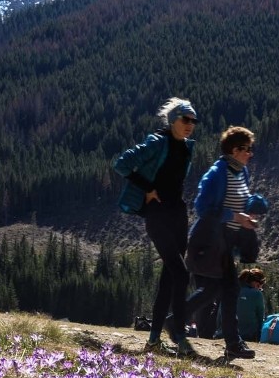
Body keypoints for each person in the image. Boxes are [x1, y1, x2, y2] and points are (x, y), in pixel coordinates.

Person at [113, 97, 198, 356]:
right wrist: (147, 188)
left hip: (178, 214)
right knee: (181, 274)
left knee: (170, 278)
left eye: (193, 121)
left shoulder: (187, 148)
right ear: (173, 120)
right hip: (157, 215)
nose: (190, 125)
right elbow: (122, 164)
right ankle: (180, 337)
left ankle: (153, 341)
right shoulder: (157, 142)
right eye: (185, 119)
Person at [183, 126, 260, 360]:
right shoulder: (217, 173)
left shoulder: (241, 172)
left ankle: (232, 342)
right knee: (214, 290)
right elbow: (203, 208)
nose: (250, 154)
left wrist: (251, 210)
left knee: (227, 290)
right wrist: (235, 217)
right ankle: (230, 342)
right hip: (207, 242)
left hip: (225, 243)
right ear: (234, 150)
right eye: (246, 149)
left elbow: (239, 203)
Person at [219, 267, 265, 342]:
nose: (259, 289)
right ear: (254, 282)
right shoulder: (257, 294)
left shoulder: (230, 289)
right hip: (248, 336)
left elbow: (220, 314)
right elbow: (260, 318)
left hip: (224, 334)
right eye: (259, 287)